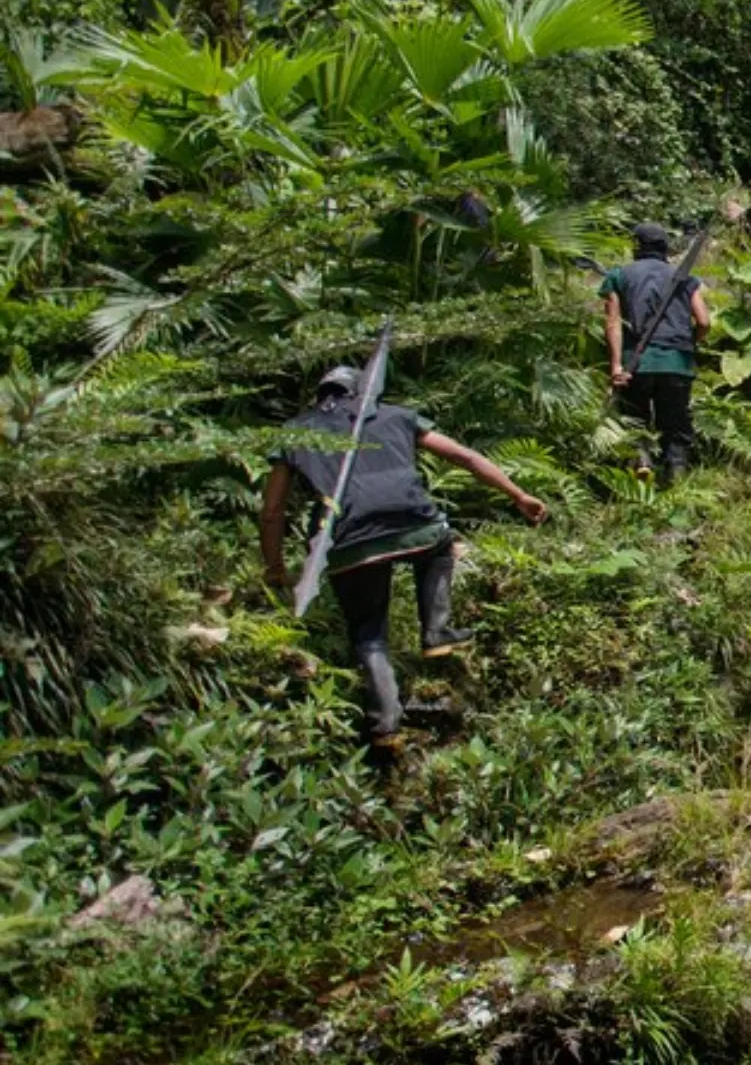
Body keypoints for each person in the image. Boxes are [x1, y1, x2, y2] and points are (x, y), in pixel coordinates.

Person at [260, 367, 547, 752]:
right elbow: (463, 456)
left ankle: (386, 724)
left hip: (345, 542)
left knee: (369, 633)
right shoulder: (394, 415)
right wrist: (518, 495)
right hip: (414, 526)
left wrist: (275, 566)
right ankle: (436, 629)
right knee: (440, 546)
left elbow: (272, 511)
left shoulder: (295, 432)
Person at [600, 222, 711, 484]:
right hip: (677, 362)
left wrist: (616, 365)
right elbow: (705, 322)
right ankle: (676, 479)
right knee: (675, 425)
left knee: (635, 420)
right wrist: (689, 343)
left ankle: (641, 466)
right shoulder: (686, 279)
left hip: (636, 363)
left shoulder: (618, 276)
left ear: (637, 246)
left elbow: (612, 323)